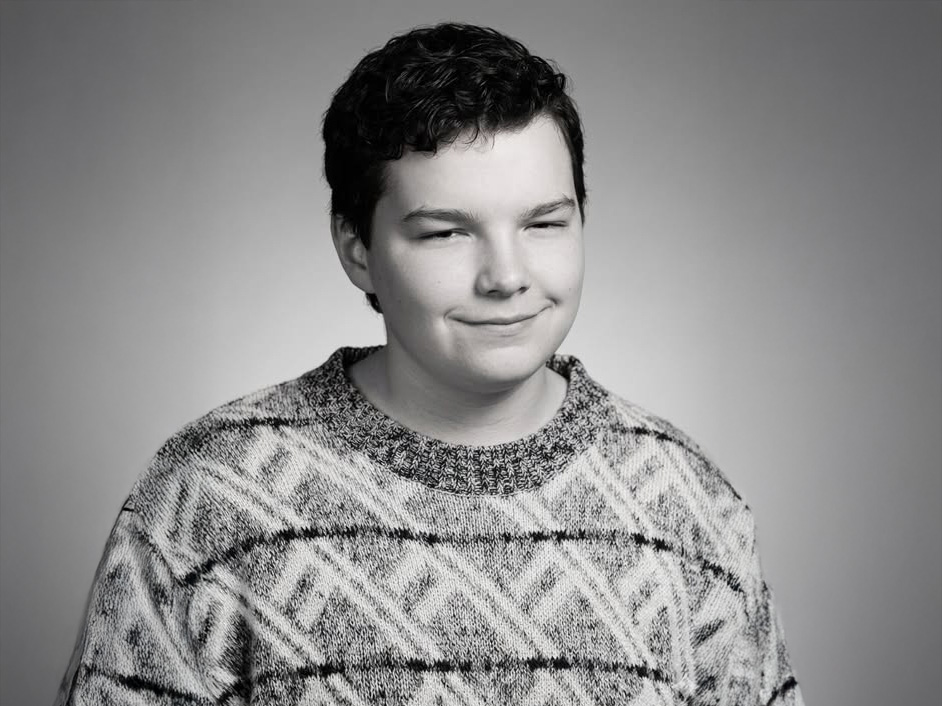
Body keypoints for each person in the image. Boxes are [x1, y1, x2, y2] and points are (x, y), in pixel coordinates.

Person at [56, 22, 804, 706]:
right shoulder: (212, 493)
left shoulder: (688, 503)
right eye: (447, 233)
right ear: (356, 248)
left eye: (545, 223)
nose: (506, 276)